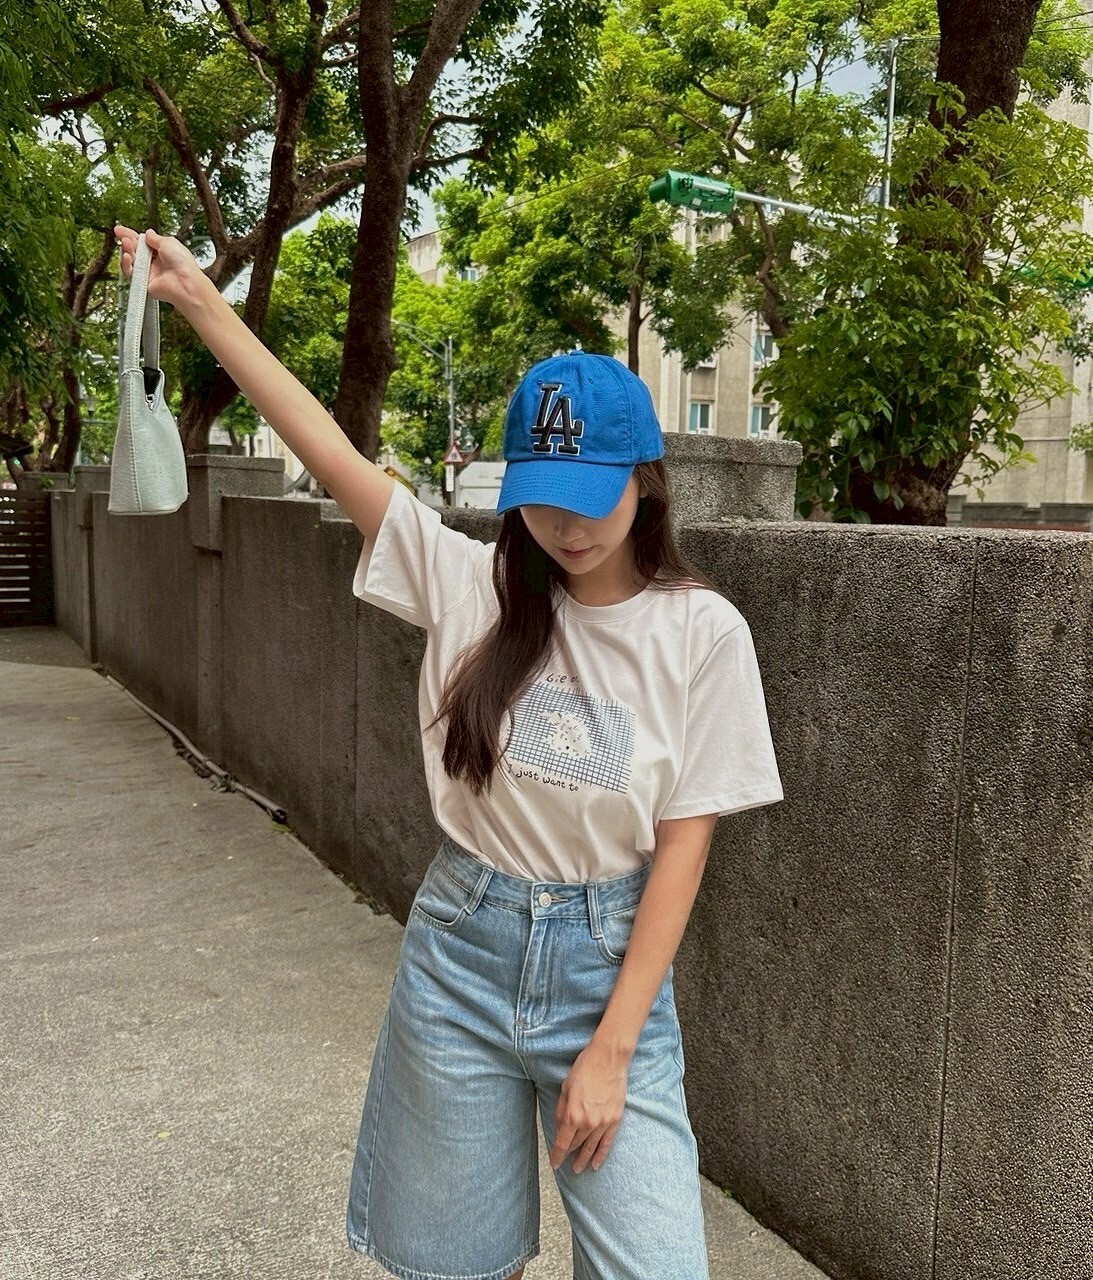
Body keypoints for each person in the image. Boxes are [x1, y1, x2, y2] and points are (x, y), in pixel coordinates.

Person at [114, 224, 784, 1280]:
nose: (565, 524)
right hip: (461, 949)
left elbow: (684, 844)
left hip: (606, 969)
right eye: (540, 497)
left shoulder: (702, 633)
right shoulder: (469, 585)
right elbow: (326, 447)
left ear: (645, 480)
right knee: (457, 1265)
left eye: (591, 494)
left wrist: (612, 1045)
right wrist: (198, 302)